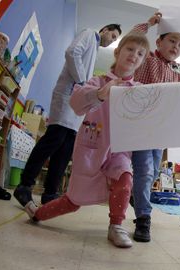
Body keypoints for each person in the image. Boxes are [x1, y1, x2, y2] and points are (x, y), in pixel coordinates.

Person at [23, 33, 150, 248]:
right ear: (117, 52)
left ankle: (116, 225)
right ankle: (38, 214)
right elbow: (76, 101)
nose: (134, 55)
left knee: (125, 179)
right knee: (73, 201)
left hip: (119, 151)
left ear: (142, 62)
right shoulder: (97, 81)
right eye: (130, 49)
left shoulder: (139, 91)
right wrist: (100, 94)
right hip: (92, 148)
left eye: (140, 53)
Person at [14, 24, 122, 206]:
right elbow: (72, 52)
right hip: (67, 95)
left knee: (65, 149)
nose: (112, 40)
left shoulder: (94, 49)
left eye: (115, 39)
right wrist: (82, 83)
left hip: (76, 104)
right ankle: (24, 185)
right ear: (104, 29)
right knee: (54, 139)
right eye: (112, 35)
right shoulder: (89, 34)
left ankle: (50, 194)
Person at [129, 13, 180, 242]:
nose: (176, 46)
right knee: (144, 171)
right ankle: (144, 219)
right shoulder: (147, 59)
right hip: (142, 125)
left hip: (161, 131)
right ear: (158, 42)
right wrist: (149, 23)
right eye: (172, 40)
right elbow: (133, 40)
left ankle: (137, 197)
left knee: (152, 170)